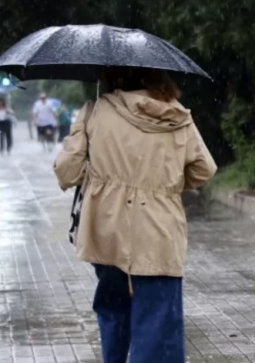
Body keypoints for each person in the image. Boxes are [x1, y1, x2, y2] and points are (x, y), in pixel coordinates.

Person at [53, 68, 216, 363]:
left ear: (113, 77)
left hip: (106, 231)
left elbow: (68, 172)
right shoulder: (176, 116)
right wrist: (164, 186)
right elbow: (204, 169)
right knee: (158, 321)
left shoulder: (95, 111)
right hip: (159, 232)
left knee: (113, 310)